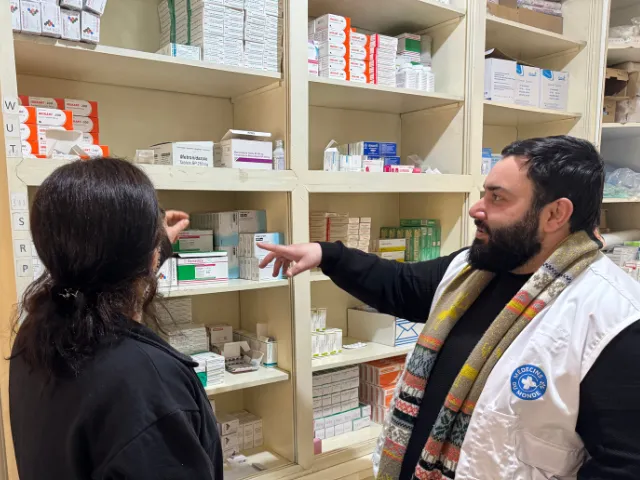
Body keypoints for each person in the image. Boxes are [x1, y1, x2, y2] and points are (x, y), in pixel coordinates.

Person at [258, 136, 640, 480]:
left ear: (556, 214)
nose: (477, 208)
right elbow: (401, 285)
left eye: (497, 197)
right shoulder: (472, 269)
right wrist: (328, 254)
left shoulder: (612, 318)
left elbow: (624, 463)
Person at [9, 158, 222, 479]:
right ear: (150, 258)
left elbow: (102, 268)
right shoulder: (148, 385)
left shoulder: (36, 332)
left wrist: (156, 241)